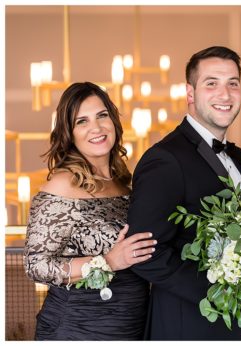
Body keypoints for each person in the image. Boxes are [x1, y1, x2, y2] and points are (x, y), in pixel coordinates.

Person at [126, 46, 241, 340]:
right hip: (188, 325)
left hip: (240, 325)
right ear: (190, 92)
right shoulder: (165, 159)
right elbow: (144, 254)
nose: (225, 94)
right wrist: (219, 293)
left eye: (233, 83)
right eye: (212, 83)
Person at [25, 82, 155, 340]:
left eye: (102, 115)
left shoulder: (125, 183)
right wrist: (106, 262)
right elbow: (36, 265)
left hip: (131, 326)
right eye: (81, 121)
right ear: (69, 133)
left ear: (114, 122)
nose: (96, 128)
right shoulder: (63, 184)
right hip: (78, 328)